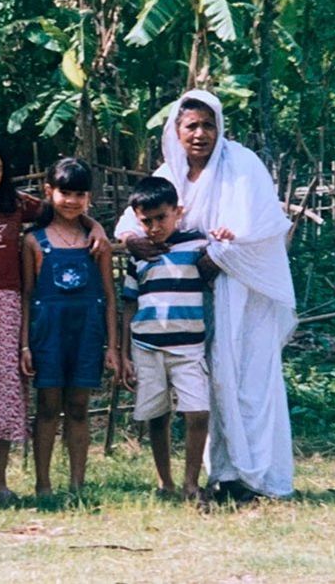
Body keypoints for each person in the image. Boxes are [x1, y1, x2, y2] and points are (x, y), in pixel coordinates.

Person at [115, 90, 297, 499]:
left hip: (240, 294)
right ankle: (220, 475)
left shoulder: (242, 165)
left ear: (220, 127)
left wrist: (220, 255)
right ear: (176, 131)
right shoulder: (171, 172)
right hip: (189, 303)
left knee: (245, 380)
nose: (200, 134)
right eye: (191, 126)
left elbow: (265, 226)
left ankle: (254, 476)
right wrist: (131, 239)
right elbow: (133, 219)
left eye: (208, 125)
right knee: (211, 386)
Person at [0, 131, 109, 505]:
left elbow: (64, 205)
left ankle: (0, 480)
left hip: (10, 309)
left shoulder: (16, 206)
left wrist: (96, 226)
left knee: (4, 395)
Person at [120, 176, 234, 504]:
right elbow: (129, 302)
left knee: (197, 412)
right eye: (146, 221)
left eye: (161, 218)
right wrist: (124, 352)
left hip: (189, 347)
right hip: (147, 346)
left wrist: (225, 240)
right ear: (136, 219)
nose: (155, 227)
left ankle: (191, 482)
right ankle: (164, 481)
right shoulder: (139, 255)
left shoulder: (197, 247)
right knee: (157, 415)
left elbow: (222, 263)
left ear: (177, 212)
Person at [19, 158, 119, 497]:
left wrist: (113, 347)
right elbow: (26, 296)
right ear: (49, 192)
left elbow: (109, 294)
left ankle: (78, 483)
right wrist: (24, 345)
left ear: (89, 197)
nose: (72, 201)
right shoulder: (34, 241)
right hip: (48, 334)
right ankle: (43, 483)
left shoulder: (96, 242)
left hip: (86, 334)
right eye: (65, 193)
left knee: (78, 407)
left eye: (80, 194)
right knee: (47, 408)